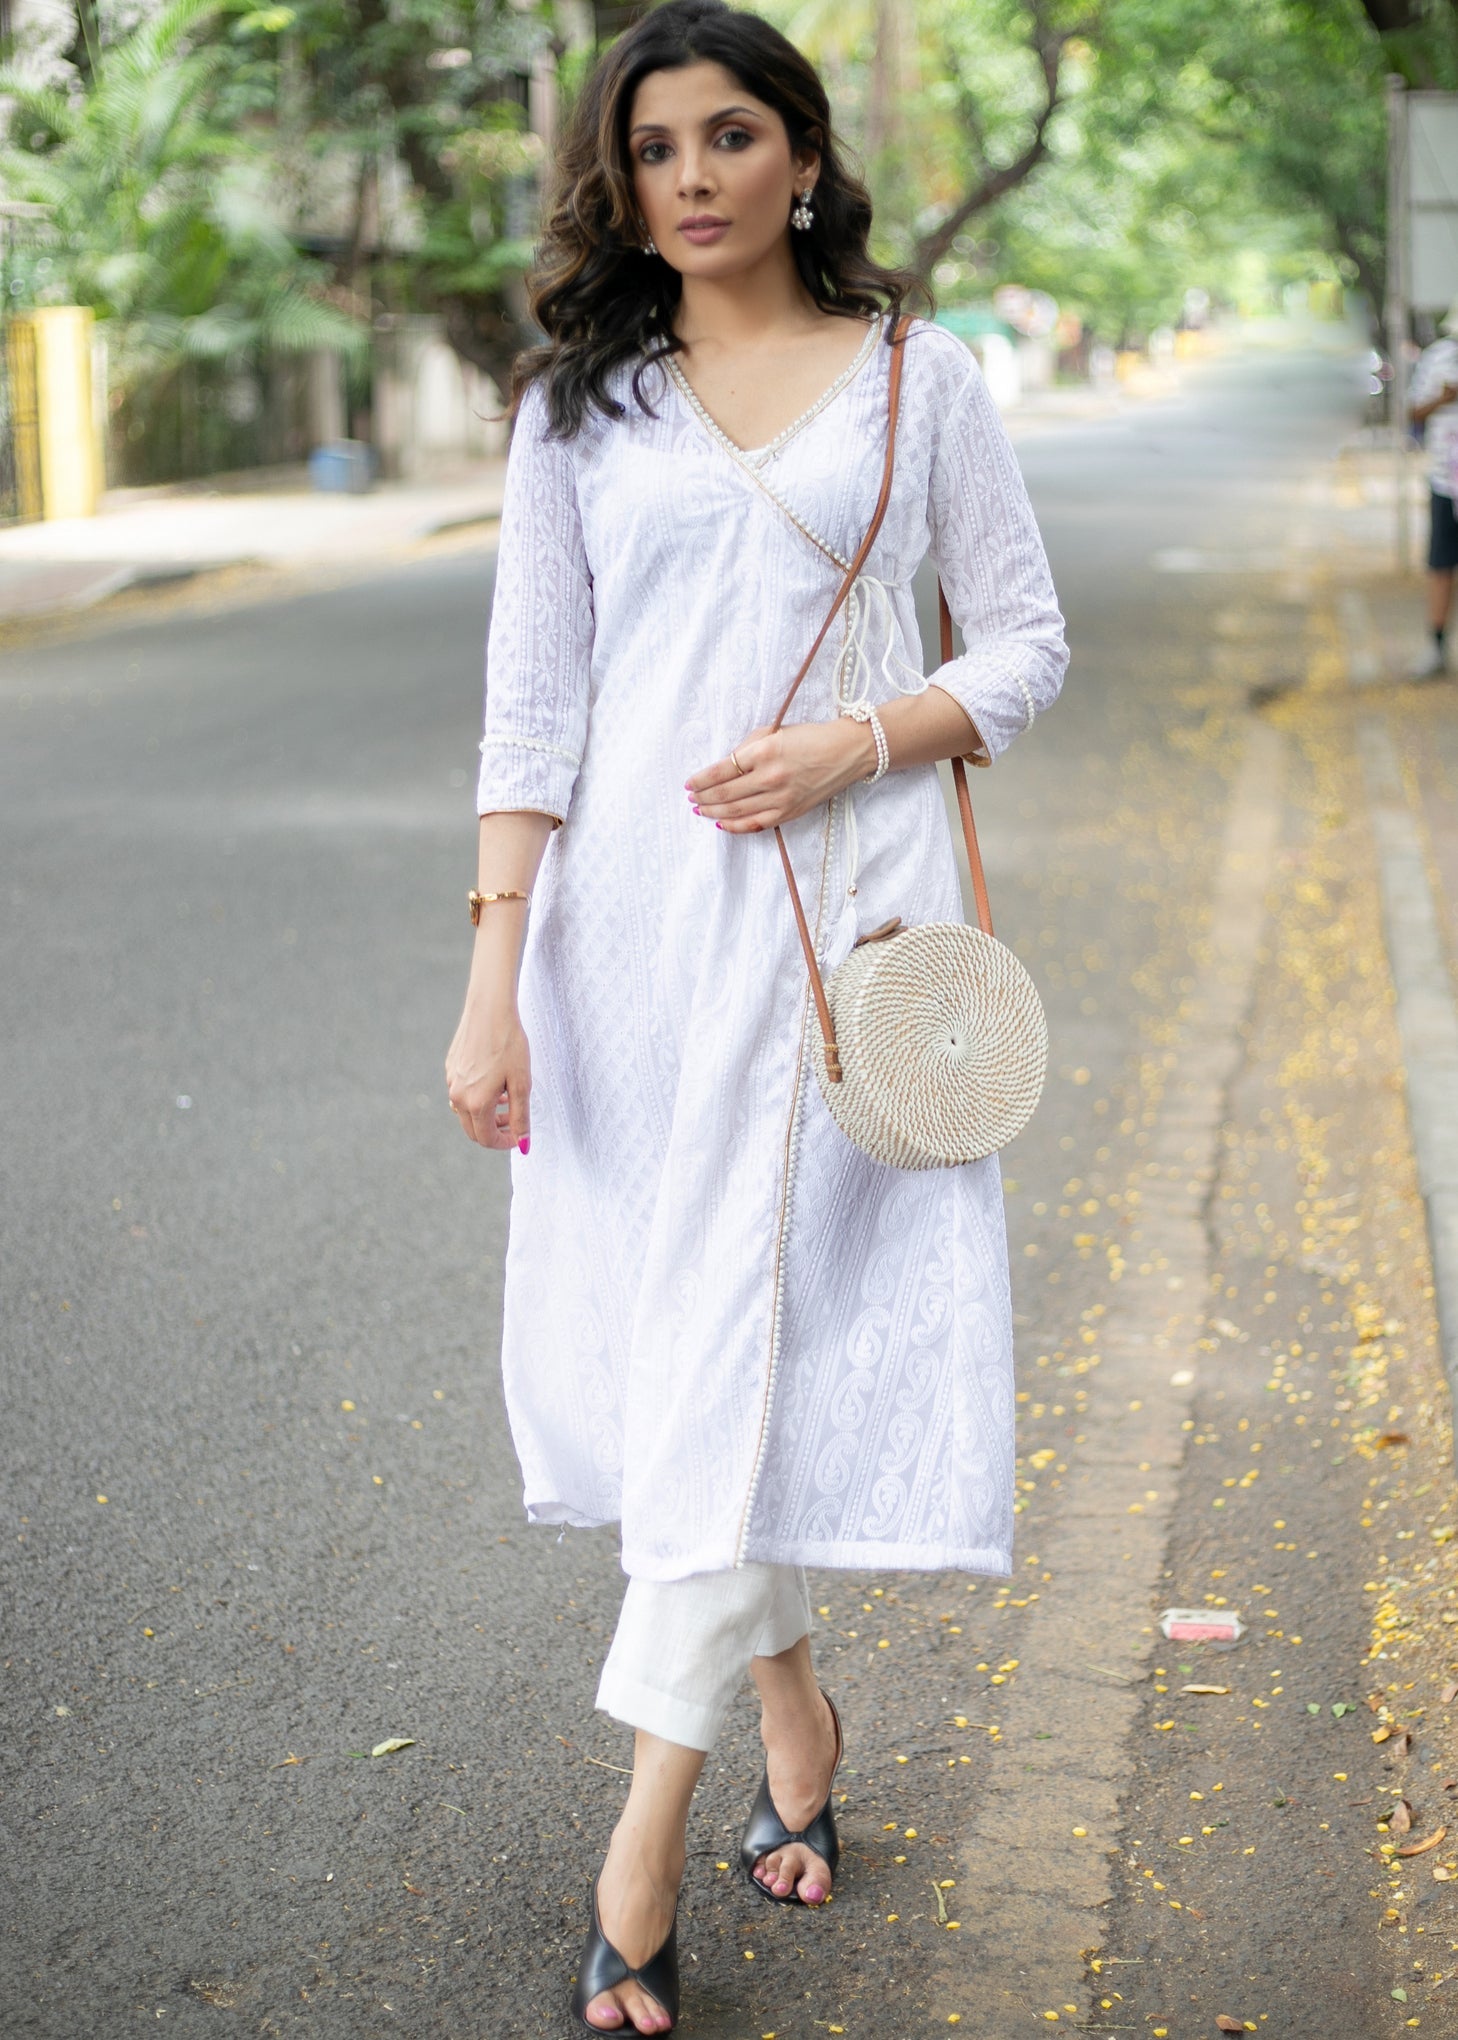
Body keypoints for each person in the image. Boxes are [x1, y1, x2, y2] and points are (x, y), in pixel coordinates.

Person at [443, 3, 1068, 2031]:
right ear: (621, 184)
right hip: (624, 946)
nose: (693, 175)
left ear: (805, 154)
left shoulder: (919, 380)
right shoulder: (577, 410)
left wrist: (857, 743)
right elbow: (532, 712)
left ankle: (639, 1853)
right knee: (692, 1349)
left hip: (841, 939)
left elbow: (1032, 644)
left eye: (731, 134)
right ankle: (793, 1713)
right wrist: (493, 980)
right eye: (655, 148)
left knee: (732, 1332)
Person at [1409, 301, 1458, 679]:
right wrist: (1443, 398)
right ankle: (1436, 647)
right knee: (1440, 565)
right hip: (1445, 478)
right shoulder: (1438, 357)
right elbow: (1412, 411)